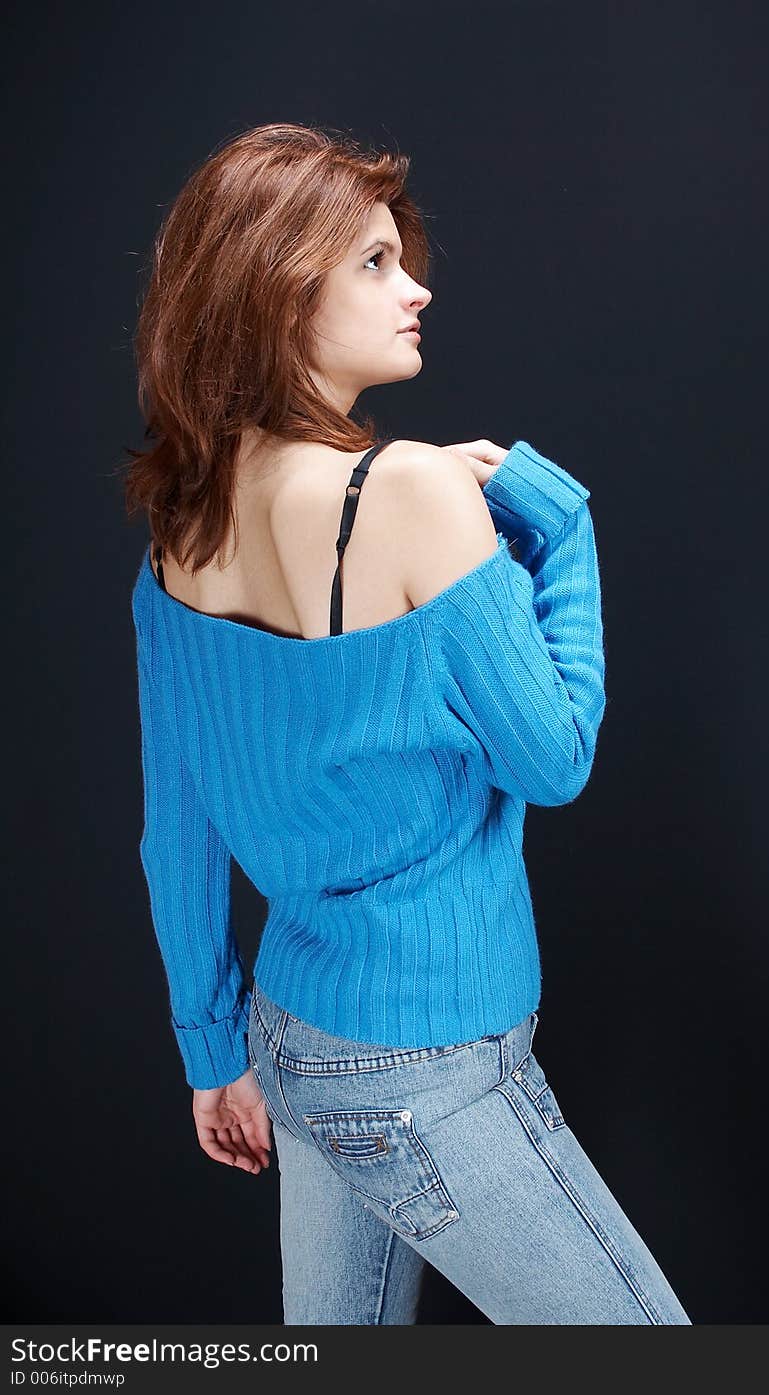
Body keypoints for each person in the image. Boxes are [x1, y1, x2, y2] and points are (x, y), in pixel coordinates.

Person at [125, 121, 691, 1326]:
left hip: (294, 1038)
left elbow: (174, 829)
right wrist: (555, 523)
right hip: (430, 1074)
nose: (415, 286)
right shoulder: (421, 491)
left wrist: (210, 1050)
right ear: (280, 291)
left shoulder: (182, 530)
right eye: (374, 264)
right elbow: (556, 759)